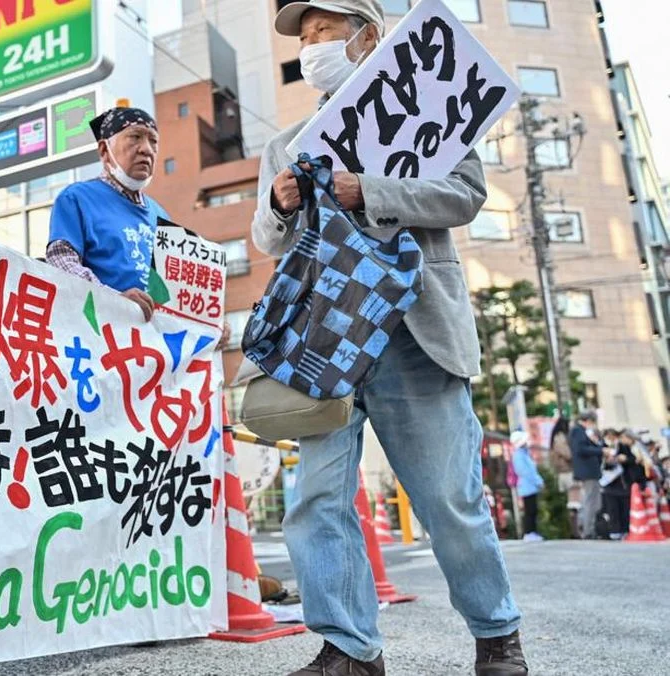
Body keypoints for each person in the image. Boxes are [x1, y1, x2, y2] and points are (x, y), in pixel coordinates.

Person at [251, 2, 525, 674]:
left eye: (326, 33)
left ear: (369, 37)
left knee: (448, 498)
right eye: (305, 37)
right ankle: (349, 649)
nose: (312, 46)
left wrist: (367, 189)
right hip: (320, 335)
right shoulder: (288, 144)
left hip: (412, 330)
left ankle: (497, 636)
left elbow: (464, 195)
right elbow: (266, 239)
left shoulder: (428, 109)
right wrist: (280, 206)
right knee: (316, 498)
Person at [45, 105, 231, 341]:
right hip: (100, 342)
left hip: (151, 350)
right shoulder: (76, 199)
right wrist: (113, 300)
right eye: (135, 137)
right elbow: (61, 264)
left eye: (153, 141)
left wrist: (208, 323)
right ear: (104, 149)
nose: (146, 149)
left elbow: (173, 292)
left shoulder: (161, 215)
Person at [569, 411, 605, 539]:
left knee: (590, 500)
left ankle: (587, 527)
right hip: (588, 470)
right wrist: (600, 450)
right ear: (588, 420)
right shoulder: (578, 431)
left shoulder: (579, 431)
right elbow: (581, 449)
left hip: (588, 470)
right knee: (591, 501)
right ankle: (588, 530)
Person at [510, 431, 545, 542]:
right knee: (530, 510)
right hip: (527, 486)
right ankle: (529, 532)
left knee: (533, 510)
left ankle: (532, 532)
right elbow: (525, 471)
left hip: (530, 486)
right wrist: (538, 481)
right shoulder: (519, 455)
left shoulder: (523, 454)